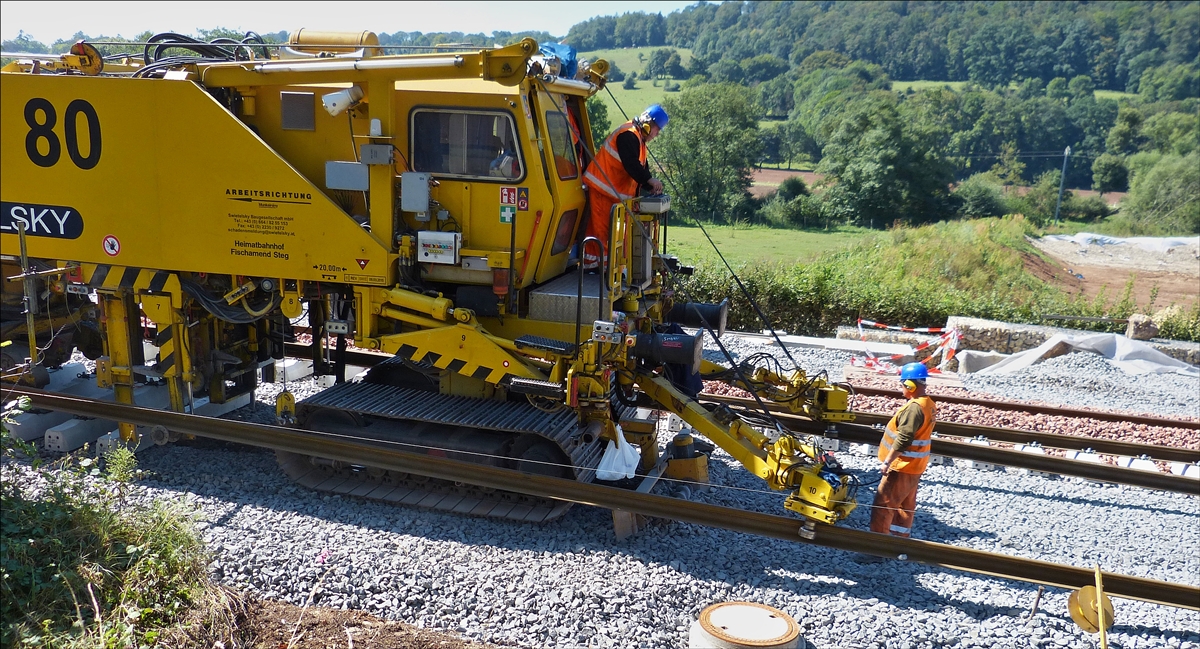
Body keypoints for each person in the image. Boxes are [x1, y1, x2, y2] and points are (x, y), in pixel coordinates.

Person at [581, 104, 668, 270]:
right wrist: (649, 180)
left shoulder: (639, 140)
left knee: (603, 233)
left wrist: (648, 185)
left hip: (610, 192)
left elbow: (641, 168)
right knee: (603, 233)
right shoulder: (628, 135)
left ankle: (598, 267)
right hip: (602, 189)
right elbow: (631, 165)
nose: (656, 135)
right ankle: (600, 270)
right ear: (649, 124)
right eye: (657, 130)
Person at [869, 362, 936, 539]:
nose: (901, 389)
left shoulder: (913, 409)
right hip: (915, 466)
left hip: (901, 466)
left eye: (903, 384)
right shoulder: (927, 404)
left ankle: (877, 549)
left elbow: (904, 439)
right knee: (904, 507)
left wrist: (887, 462)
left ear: (910, 385)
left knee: (883, 505)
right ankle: (898, 542)